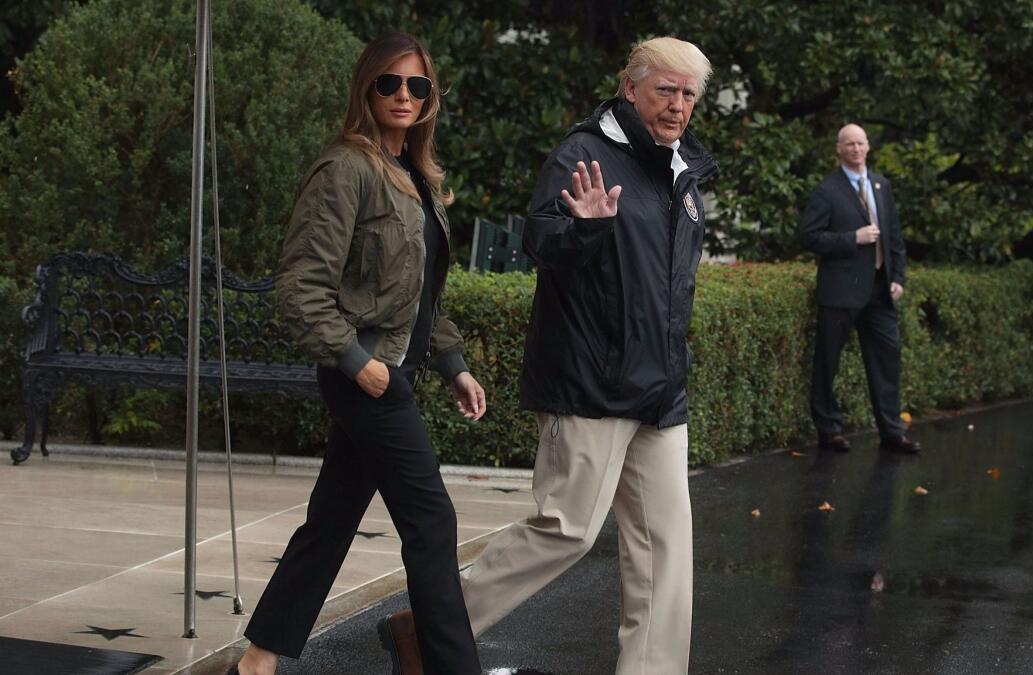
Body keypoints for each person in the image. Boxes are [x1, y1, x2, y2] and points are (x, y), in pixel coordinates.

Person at [385, 36, 715, 675]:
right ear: (631, 88)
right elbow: (544, 245)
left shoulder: (682, 169)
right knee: (567, 531)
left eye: (688, 94)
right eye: (665, 90)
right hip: (588, 381)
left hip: (658, 388)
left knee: (667, 546)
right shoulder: (584, 153)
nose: (678, 106)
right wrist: (587, 228)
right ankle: (429, 629)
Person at [231, 32, 485, 675]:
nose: (404, 95)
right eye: (389, 83)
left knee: (332, 520)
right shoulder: (345, 168)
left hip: (390, 368)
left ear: (432, 98)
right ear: (365, 89)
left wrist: (453, 363)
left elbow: (420, 295)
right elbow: (300, 286)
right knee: (431, 522)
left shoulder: (417, 177)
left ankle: (257, 658)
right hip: (367, 376)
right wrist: (358, 364)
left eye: (417, 86)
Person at [798, 123, 920, 454]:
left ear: (868, 147)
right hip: (840, 293)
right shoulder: (827, 190)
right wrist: (853, 238)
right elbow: (809, 236)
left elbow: (894, 237)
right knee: (828, 364)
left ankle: (892, 432)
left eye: (860, 143)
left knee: (887, 362)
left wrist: (898, 278)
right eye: (849, 144)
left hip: (880, 291)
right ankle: (829, 429)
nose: (855, 148)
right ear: (839, 149)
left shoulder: (882, 185)